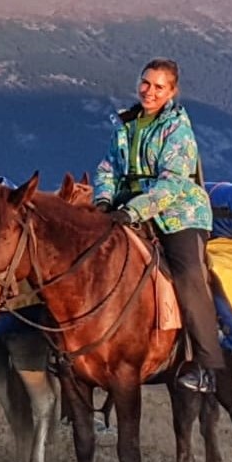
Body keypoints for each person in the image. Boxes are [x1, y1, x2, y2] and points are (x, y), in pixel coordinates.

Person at [92, 59, 219, 393]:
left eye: (158, 86)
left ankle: (207, 365)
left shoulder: (178, 131)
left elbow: (173, 184)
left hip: (178, 214)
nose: (149, 91)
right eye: (145, 83)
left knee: (189, 274)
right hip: (126, 208)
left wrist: (133, 212)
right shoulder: (125, 125)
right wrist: (103, 201)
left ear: (172, 91)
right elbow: (107, 168)